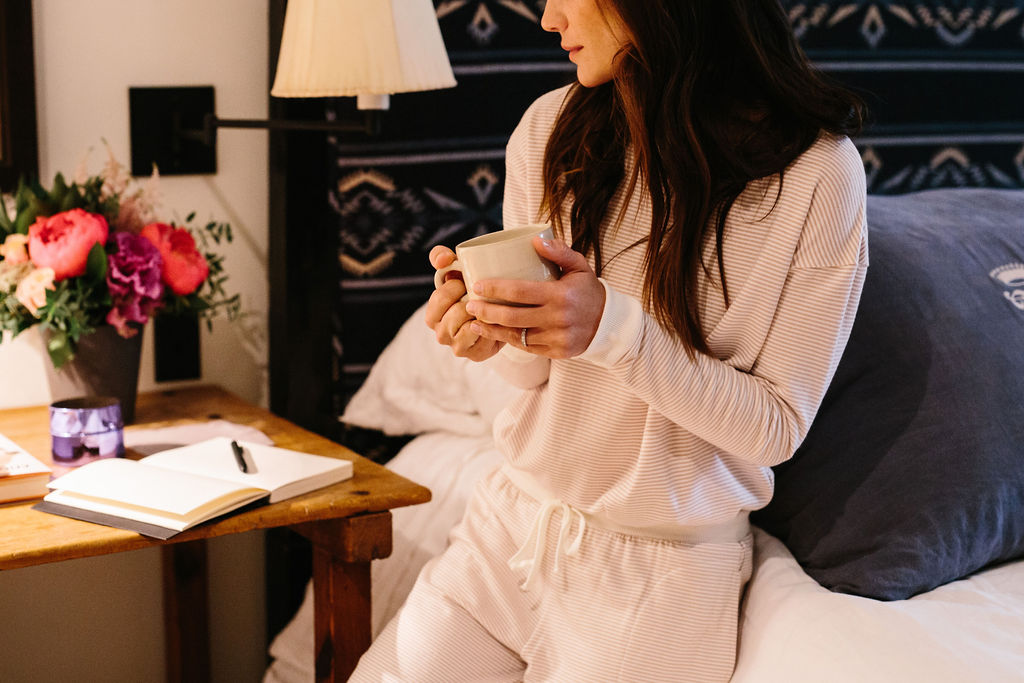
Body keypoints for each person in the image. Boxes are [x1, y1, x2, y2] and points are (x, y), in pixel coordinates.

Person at [350, 0, 867, 680]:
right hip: (511, 530)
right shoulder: (549, 129)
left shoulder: (816, 175)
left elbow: (775, 425)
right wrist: (493, 335)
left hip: (657, 585)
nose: (547, 18)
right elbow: (536, 375)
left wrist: (613, 329)